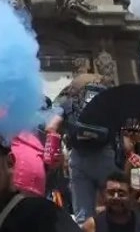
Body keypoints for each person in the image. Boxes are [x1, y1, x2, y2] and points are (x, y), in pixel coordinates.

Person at [45, 69, 120, 223]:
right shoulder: (109, 103)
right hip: (105, 156)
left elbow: (51, 127)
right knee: (115, 204)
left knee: (83, 213)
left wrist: (56, 153)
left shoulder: (69, 103)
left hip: (78, 157)